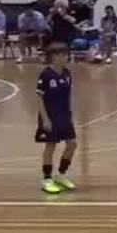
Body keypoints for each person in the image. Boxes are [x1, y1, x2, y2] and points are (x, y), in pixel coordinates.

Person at [35, 42, 78, 195]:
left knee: (72, 144)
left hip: (65, 115)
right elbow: (39, 98)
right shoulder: (45, 75)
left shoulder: (67, 74)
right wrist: (45, 119)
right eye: (64, 55)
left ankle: (61, 175)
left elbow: (68, 94)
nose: (67, 57)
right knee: (50, 147)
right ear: (55, 56)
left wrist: (70, 112)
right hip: (50, 116)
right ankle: (47, 179)